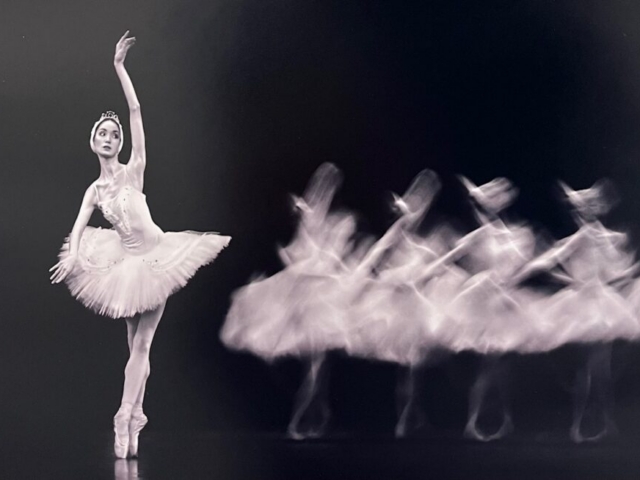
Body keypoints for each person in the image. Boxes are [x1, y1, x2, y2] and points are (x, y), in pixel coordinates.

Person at [49, 31, 230, 458]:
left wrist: (119, 67)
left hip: (156, 259)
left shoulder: (135, 170)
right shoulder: (95, 190)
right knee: (137, 349)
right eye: (103, 133)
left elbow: (134, 110)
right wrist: (73, 255)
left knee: (143, 345)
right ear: (93, 141)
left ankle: (124, 416)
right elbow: (78, 226)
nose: (110, 138)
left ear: (121, 143)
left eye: (114, 134)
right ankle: (136, 415)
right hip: (126, 265)